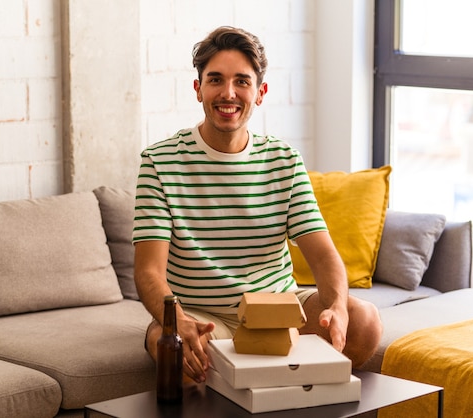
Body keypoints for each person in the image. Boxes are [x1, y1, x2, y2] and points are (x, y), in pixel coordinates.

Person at [133, 26, 382, 384]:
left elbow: (324, 256)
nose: (228, 93)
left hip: (278, 308)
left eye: (242, 82)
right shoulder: (159, 162)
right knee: (172, 350)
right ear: (198, 88)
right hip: (202, 315)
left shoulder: (284, 160)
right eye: (215, 80)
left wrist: (337, 307)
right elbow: (149, 272)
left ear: (260, 92)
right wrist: (180, 322)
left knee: (366, 322)